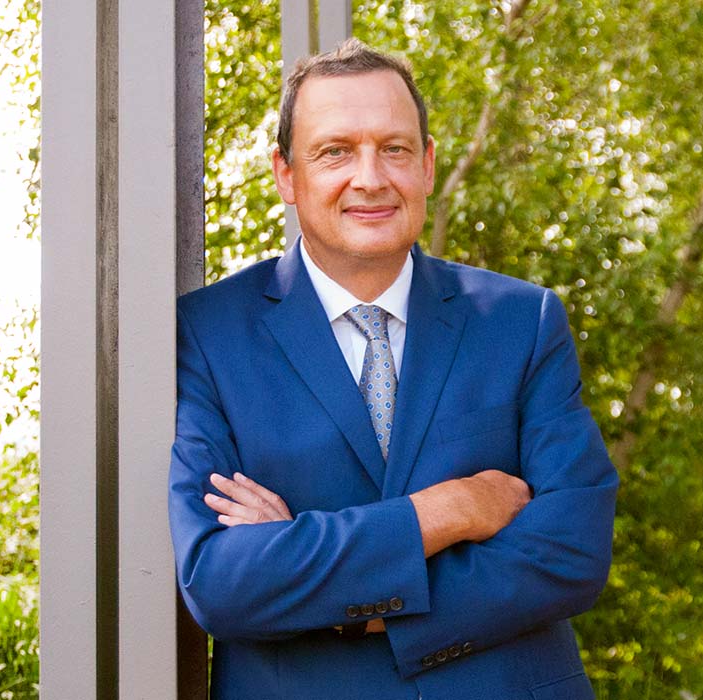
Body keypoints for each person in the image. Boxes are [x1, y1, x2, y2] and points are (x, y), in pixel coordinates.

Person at [169, 38, 618, 700]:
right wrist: (451, 508)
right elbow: (221, 580)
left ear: (429, 165)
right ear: (286, 174)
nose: (371, 177)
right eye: (335, 151)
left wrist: (331, 589)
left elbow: (572, 550)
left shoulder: (522, 322)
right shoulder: (208, 333)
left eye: (396, 148)